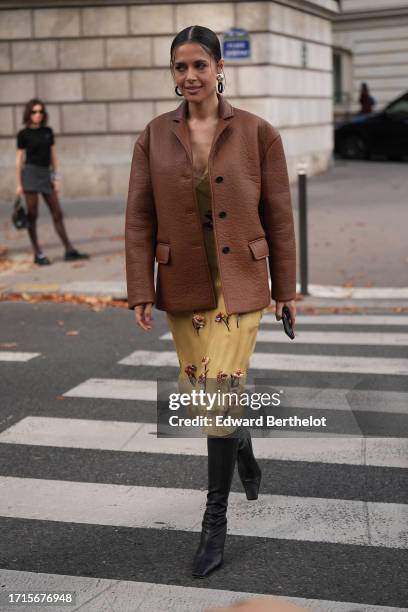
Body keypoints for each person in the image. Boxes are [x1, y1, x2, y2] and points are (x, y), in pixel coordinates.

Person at [125, 25, 297, 579]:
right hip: (184, 284)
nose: (191, 75)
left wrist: (286, 292)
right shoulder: (153, 136)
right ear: (172, 74)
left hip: (242, 284)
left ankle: (213, 521)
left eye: (200, 64)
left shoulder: (257, 132)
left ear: (220, 67)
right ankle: (241, 441)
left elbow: (280, 218)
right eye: (180, 67)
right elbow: (138, 219)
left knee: (219, 395)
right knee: (206, 398)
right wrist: (139, 289)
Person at [16, 98, 89, 265]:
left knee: (57, 213)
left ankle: (69, 249)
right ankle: (37, 253)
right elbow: (19, 160)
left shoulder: (48, 131)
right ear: (29, 113)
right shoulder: (23, 134)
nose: (38, 115)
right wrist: (19, 183)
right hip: (30, 176)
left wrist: (56, 177)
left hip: (45, 175)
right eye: (34, 112)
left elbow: (54, 156)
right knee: (32, 216)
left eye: (41, 111)